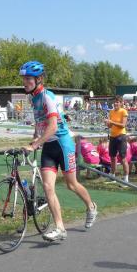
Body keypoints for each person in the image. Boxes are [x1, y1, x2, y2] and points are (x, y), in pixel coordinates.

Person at [16, 61, 97, 241]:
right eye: (24, 78)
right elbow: (40, 122)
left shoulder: (47, 97)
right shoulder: (33, 98)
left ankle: (91, 207)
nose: (25, 82)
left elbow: (52, 126)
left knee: (71, 184)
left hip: (62, 144)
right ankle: (60, 227)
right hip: (48, 147)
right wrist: (36, 137)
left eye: (28, 79)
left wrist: (35, 145)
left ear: (39, 79)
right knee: (47, 187)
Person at [105, 96, 130, 182]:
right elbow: (110, 126)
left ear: (121, 103)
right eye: (115, 102)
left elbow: (123, 125)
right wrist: (107, 123)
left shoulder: (123, 111)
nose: (115, 103)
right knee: (112, 157)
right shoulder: (111, 112)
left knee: (123, 158)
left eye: (117, 102)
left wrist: (111, 122)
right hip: (112, 136)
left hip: (121, 136)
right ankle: (112, 176)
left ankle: (126, 178)